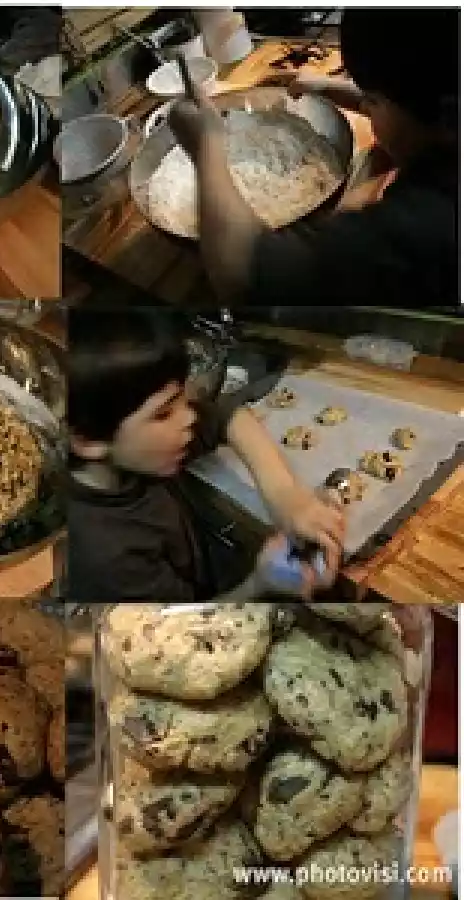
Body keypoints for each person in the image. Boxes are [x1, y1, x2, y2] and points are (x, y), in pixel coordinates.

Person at [168, 8, 459, 308]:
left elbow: (242, 279)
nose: (367, 110)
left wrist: (206, 142)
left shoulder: (428, 224)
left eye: (373, 101)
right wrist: (336, 90)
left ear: (448, 119)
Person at [67, 307, 345, 602]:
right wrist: (260, 585)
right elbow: (176, 629)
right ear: (87, 441)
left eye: (183, 399)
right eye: (164, 413)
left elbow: (230, 416)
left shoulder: (130, 450)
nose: (189, 417)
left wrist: (284, 494)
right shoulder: (105, 559)